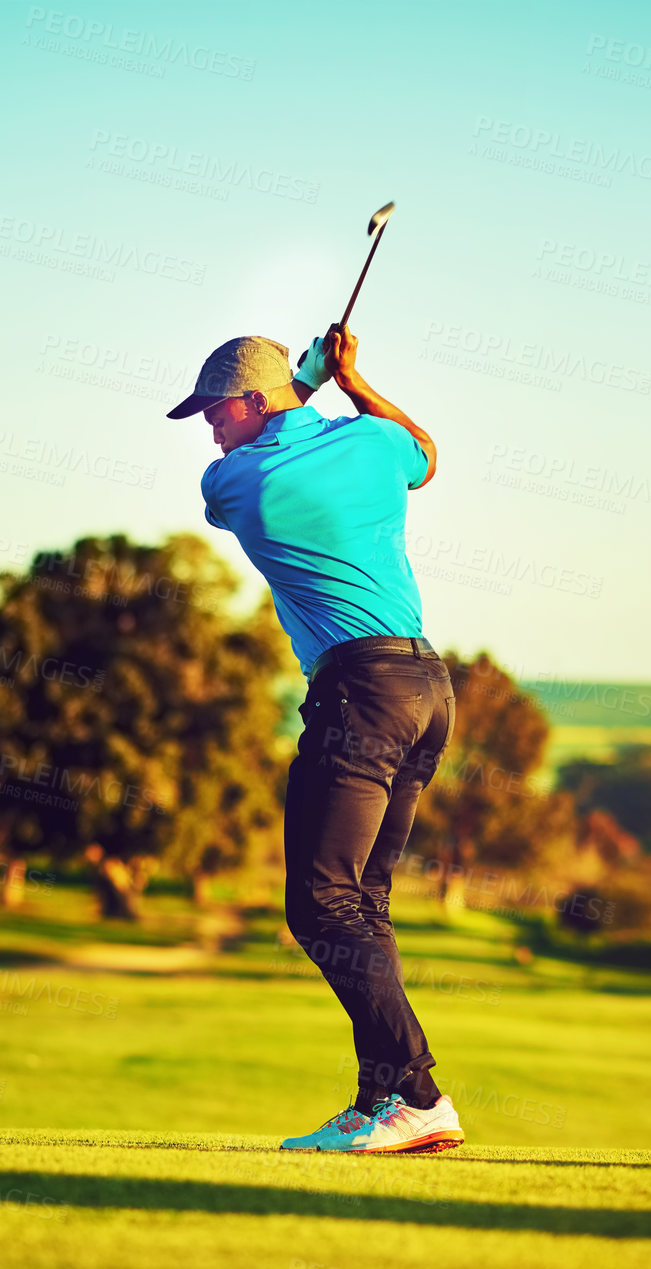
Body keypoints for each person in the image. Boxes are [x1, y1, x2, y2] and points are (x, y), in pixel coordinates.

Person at [166, 325, 463, 1155]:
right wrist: (350, 381)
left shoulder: (237, 483)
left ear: (255, 402)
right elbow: (424, 453)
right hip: (428, 687)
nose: (209, 428)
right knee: (362, 902)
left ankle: (418, 1092)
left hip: (358, 694)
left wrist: (312, 379)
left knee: (321, 903)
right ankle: (379, 1102)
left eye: (216, 410)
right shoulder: (370, 441)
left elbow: (251, 458)